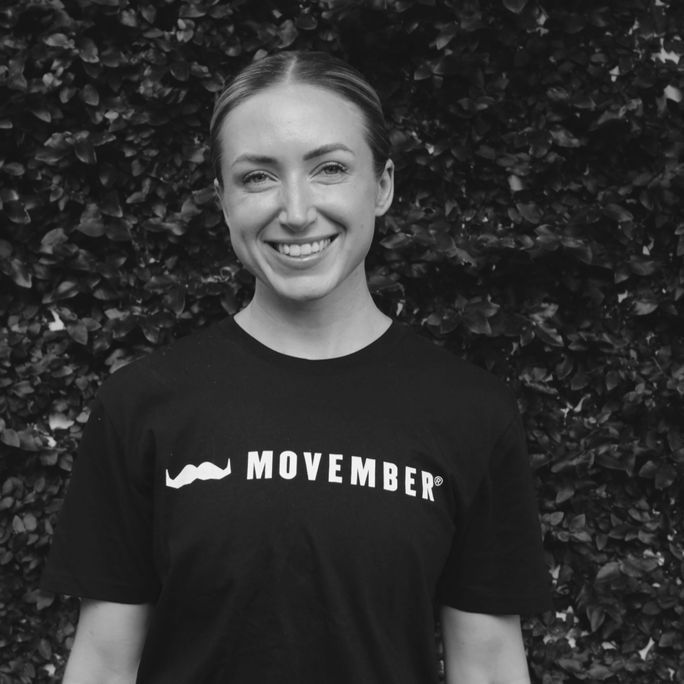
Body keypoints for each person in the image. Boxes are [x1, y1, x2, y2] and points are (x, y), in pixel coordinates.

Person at [41, 50, 551, 683]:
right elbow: (104, 661)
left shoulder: (472, 412)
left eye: (330, 168)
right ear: (223, 200)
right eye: (258, 177)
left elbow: (490, 665)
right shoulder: (141, 404)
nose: (298, 210)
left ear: (383, 185)